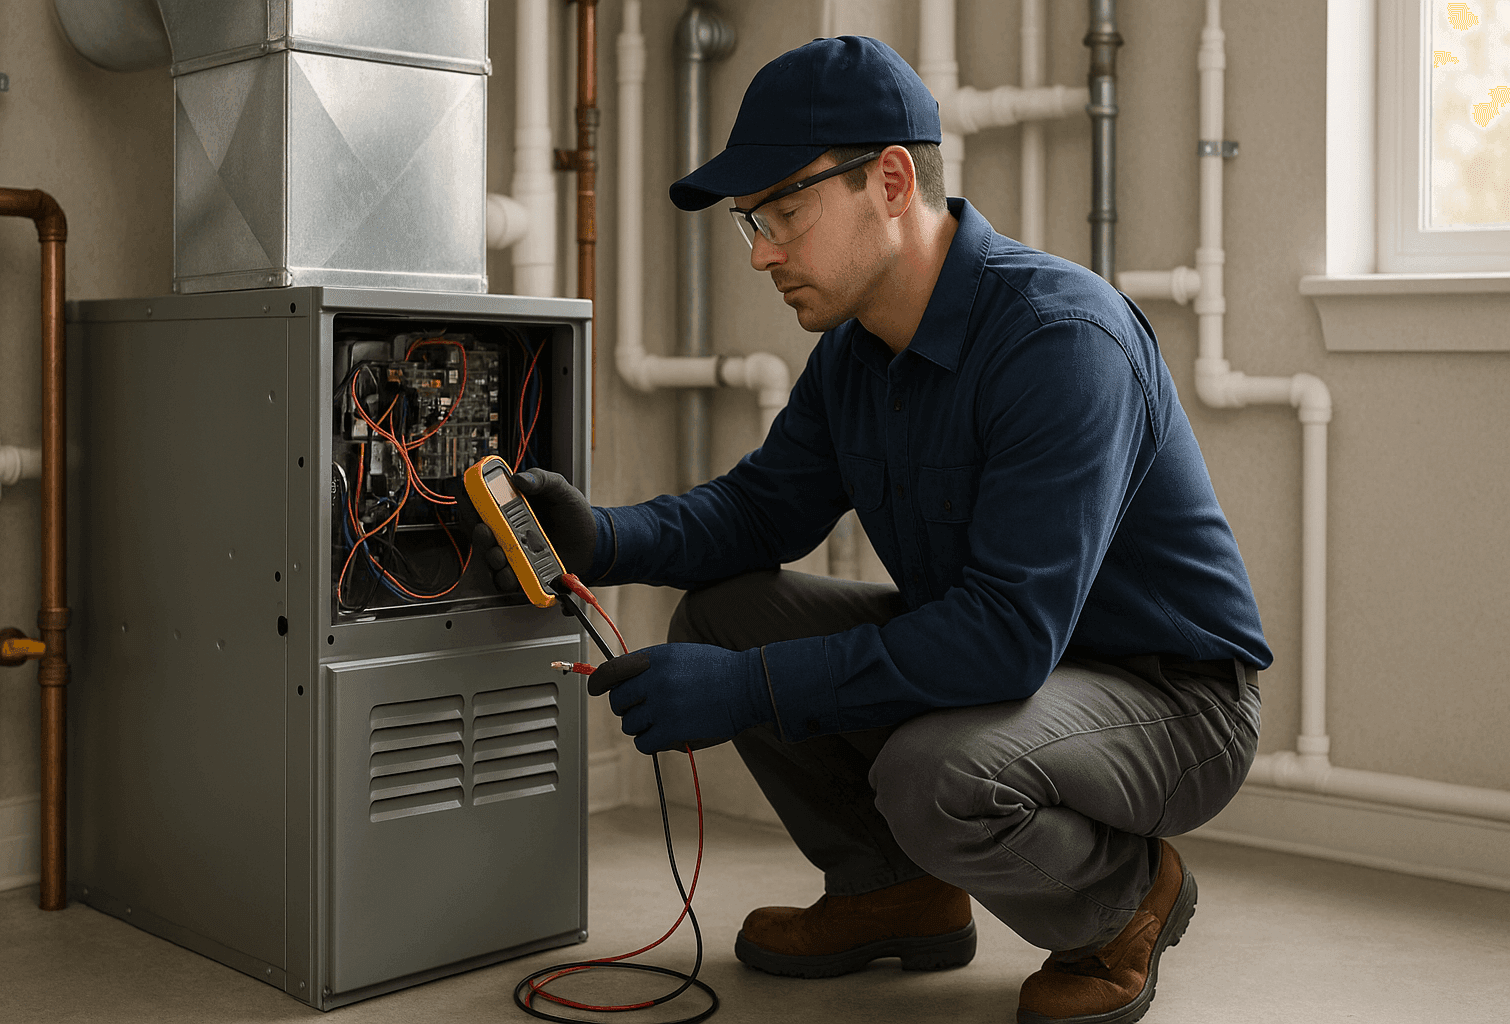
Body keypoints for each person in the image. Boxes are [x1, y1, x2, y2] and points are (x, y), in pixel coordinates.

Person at [478, 36, 1271, 1024]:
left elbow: (1004, 636)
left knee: (936, 770)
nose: (763, 250)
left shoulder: (1061, 341)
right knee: (727, 616)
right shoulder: (859, 354)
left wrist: (747, 691)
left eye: (783, 212)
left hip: (1171, 700)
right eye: (748, 223)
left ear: (890, 179)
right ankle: (891, 887)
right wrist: (601, 538)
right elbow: (762, 510)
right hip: (1020, 674)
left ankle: (1120, 904)